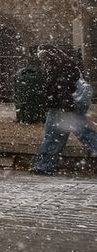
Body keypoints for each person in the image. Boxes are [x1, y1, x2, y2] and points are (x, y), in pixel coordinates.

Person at [32, 47, 97, 175]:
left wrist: (63, 105)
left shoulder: (58, 68)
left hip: (62, 108)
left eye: (43, 56)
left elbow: (61, 89)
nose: (42, 60)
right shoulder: (67, 65)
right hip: (66, 107)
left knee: (54, 137)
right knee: (83, 134)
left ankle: (45, 166)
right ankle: (45, 165)